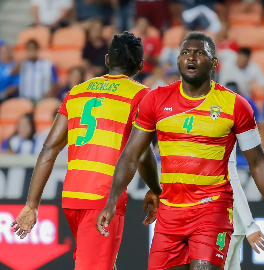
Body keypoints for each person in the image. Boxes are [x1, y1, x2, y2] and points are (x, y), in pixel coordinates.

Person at [96, 31, 264, 270]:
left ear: (214, 63)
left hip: (212, 210)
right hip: (170, 215)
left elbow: (258, 163)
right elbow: (131, 155)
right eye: (186, 53)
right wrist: (111, 200)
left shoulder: (235, 105)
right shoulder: (155, 100)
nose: (191, 58)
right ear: (178, 61)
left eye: (200, 53)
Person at [10, 32, 158, 270]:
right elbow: (141, 153)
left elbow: (50, 148)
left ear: (108, 61)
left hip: (72, 197)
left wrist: (31, 204)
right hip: (103, 199)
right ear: (141, 65)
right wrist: (155, 188)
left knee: (103, 263)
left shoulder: (77, 91)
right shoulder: (141, 95)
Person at [224, 146, 264, 270]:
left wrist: (250, 226)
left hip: (221, 225)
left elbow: (230, 177)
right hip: (232, 225)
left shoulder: (218, 130)